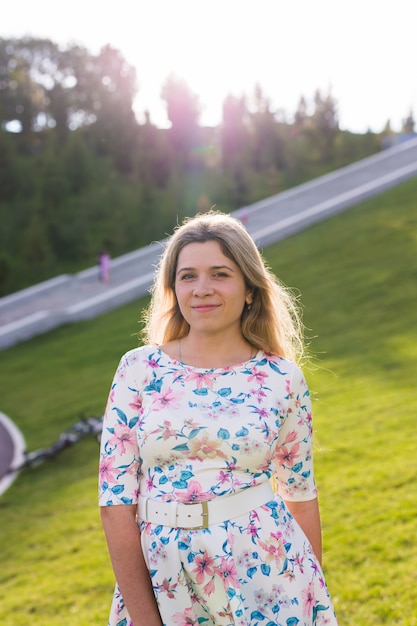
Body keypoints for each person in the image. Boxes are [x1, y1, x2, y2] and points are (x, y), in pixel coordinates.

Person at [98, 210, 338, 626]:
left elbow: (301, 495)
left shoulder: (282, 378)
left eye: (220, 274)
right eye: (188, 276)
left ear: (249, 288)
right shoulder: (138, 370)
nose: (202, 289)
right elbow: (115, 504)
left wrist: (309, 596)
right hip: (165, 578)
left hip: (269, 568)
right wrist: (144, 617)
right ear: (172, 287)